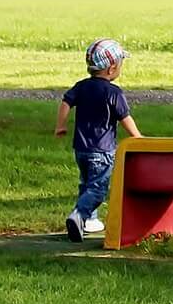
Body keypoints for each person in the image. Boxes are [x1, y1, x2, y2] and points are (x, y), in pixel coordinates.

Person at [54, 38, 143, 241]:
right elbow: (124, 117)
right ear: (112, 69)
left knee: (86, 183)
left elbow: (65, 102)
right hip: (102, 151)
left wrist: (61, 125)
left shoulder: (81, 87)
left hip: (81, 149)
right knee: (98, 189)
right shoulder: (113, 92)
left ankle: (90, 220)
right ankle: (78, 215)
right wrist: (137, 137)